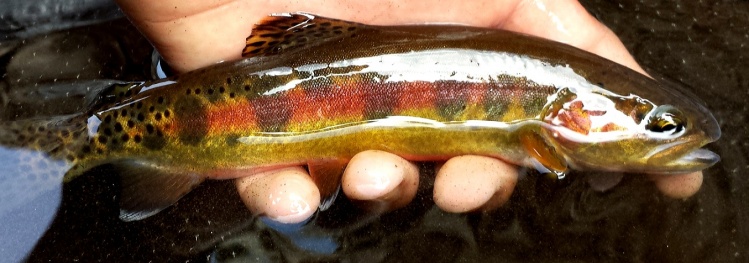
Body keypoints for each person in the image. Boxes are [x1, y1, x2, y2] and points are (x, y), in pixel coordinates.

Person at [114, 0, 705, 224]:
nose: (672, 136)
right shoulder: (542, 134)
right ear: (572, 115)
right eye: (662, 124)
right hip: (209, 106)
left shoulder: (548, 110)